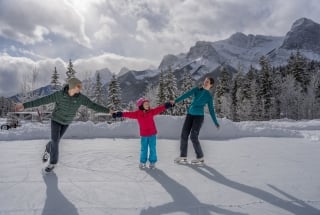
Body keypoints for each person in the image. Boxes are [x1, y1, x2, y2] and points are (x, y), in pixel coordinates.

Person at [15, 77, 109, 172]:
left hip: (66, 122)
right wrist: (24, 105)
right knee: (55, 141)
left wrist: (108, 111)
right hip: (56, 120)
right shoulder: (59, 95)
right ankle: (53, 163)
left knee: (55, 141)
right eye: (78, 86)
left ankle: (48, 148)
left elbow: (93, 105)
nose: (80, 89)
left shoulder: (81, 98)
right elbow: (42, 100)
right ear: (72, 87)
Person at [112, 98, 174, 169]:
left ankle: (152, 162)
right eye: (146, 104)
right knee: (144, 149)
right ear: (141, 106)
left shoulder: (151, 111)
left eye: (148, 104)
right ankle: (142, 162)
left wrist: (167, 105)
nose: (148, 105)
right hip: (144, 135)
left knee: (152, 148)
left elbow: (159, 109)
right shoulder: (137, 114)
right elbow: (128, 114)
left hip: (152, 134)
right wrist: (118, 114)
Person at [173, 77, 220, 165]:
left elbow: (211, 110)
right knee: (184, 134)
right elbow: (186, 95)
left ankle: (200, 157)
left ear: (211, 85)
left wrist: (216, 122)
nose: (205, 83)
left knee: (193, 136)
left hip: (198, 117)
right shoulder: (196, 89)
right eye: (205, 81)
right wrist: (175, 101)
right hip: (189, 115)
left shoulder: (209, 96)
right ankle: (183, 156)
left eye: (208, 82)